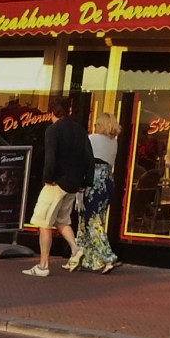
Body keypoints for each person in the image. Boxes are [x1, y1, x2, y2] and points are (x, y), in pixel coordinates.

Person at [24, 97, 93, 277]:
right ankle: (76, 249)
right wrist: (85, 182)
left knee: (44, 222)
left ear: (53, 112)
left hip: (56, 182)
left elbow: (51, 157)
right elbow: (89, 158)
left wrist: (48, 177)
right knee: (62, 220)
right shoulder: (80, 130)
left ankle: (43, 265)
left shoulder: (53, 130)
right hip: (74, 184)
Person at [73, 111, 121, 274]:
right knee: (97, 218)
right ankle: (89, 258)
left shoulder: (92, 139)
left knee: (89, 219)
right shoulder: (114, 142)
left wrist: (80, 184)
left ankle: (107, 256)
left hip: (93, 181)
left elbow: (83, 161)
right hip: (107, 181)